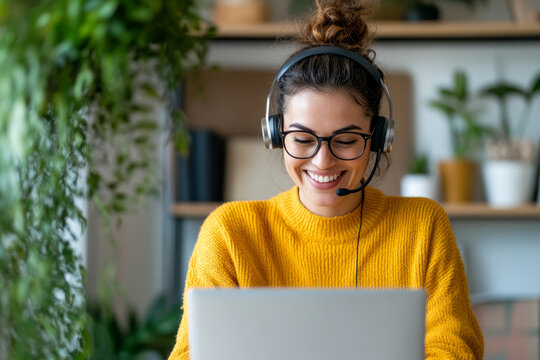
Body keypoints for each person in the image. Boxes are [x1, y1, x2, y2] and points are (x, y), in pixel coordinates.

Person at [168, 0, 484, 359]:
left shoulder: (423, 228)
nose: (323, 160)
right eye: (302, 139)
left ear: (379, 138)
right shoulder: (229, 234)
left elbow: (454, 350)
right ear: (276, 134)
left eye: (346, 140)